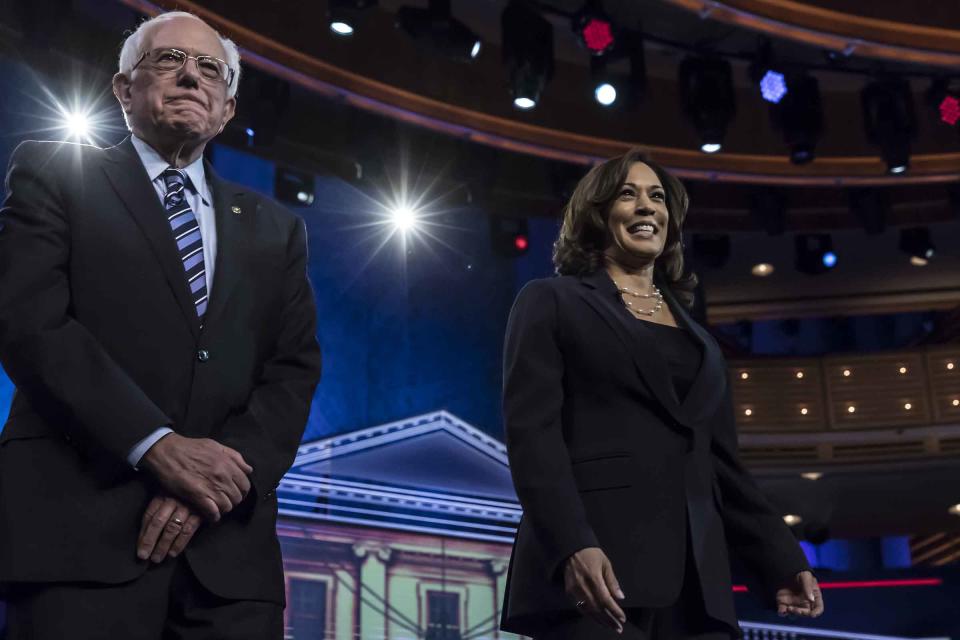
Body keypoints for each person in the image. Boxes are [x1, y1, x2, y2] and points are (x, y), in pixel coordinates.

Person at [0, 11, 321, 639]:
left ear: (227, 107)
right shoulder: (51, 172)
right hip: (78, 539)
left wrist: (217, 480)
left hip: (229, 566)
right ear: (123, 89)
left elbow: (294, 369)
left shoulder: (276, 229)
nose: (190, 78)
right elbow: (29, 321)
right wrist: (156, 446)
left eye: (210, 69)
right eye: (169, 59)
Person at [499, 150, 824, 639]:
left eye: (657, 197)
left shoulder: (700, 340)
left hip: (698, 589)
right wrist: (571, 545)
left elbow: (721, 464)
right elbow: (533, 437)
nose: (646, 207)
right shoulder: (551, 301)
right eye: (628, 194)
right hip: (599, 576)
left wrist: (780, 557)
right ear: (598, 213)